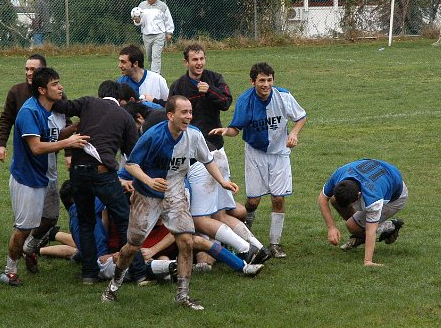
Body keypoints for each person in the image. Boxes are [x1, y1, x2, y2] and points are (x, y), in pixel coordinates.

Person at [101, 96, 239, 311]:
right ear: (170, 115)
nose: (189, 117)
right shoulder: (152, 136)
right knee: (133, 246)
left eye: (190, 112)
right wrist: (149, 181)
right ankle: (113, 286)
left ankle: (182, 296)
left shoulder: (193, 135)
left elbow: (207, 160)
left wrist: (223, 181)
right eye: (184, 112)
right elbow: (131, 165)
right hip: (147, 196)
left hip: (176, 195)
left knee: (186, 241)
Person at [170, 44, 271, 264]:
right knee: (220, 215)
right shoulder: (178, 85)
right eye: (194, 59)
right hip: (203, 158)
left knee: (202, 217)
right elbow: (169, 112)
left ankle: (241, 250)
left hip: (208, 157)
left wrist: (210, 92)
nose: (199, 63)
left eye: (202, 59)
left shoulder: (215, 79)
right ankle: (257, 247)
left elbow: (226, 103)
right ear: (186, 62)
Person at [209, 62, 307, 259]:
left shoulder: (283, 96)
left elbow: (301, 117)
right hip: (255, 153)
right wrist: (225, 131)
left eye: (269, 80)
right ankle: (246, 235)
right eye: (262, 80)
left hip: (279, 153)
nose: (266, 84)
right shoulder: (246, 100)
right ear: (252, 81)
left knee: (278, 198)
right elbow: (236, 129)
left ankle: (275, 243)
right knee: (253, 201)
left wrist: (294, 133)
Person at [0, 67, 88, 286]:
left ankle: (30, 249)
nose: (61, 87)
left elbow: (54, 134)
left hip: (48, 175)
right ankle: (9, 270)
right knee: (24, 227)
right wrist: (69, 143)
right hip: (28, 179)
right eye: (55, 84)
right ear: (41, 90)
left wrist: (77, 126)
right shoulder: (29, 112)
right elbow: (37, 147)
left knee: (50, 218)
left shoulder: (54, 110)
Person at [52, 80, 140, 284]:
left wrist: (53, 92)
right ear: (120, 99)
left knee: (85, 222)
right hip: (103, 174)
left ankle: (89, 274)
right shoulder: (124, 116)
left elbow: (63, 106)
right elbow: (134, 153)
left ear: (100, 94)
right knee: (124, 220)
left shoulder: (87, 103)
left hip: (78, 172)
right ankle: (138, 271)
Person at [317, 159, 406, 267]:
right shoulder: (339, 174)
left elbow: (371, 230)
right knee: (334, 200)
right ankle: (360, 230)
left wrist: (368, 261)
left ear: (359, 195)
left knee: (352, 226)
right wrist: (331, 227)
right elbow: (322, 199)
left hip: (395, 198)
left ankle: (390, 227)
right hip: (381, 175)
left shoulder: (373, 199)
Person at [131, 0, 174, 75]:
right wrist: (137, 21)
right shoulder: (141, 6)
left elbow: (168, 19)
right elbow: (139, 21)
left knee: (156, 57)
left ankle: (155, 76)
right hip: (146, 35)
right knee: (149, 58)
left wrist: (169, 32)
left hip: (159, 35)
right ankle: (157, 75)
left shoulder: (162, 6)